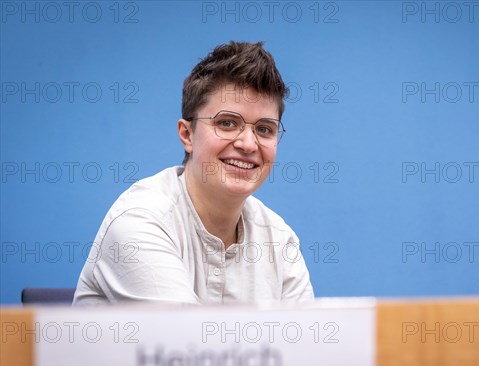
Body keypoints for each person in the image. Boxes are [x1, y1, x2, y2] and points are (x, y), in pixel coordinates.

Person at [73, 41, 314, 304]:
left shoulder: (279, 239)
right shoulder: (140, 222)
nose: (248, 144)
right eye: (227, 123)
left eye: (265, 129)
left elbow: (307, 343)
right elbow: (189, 343)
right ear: (187, 134)